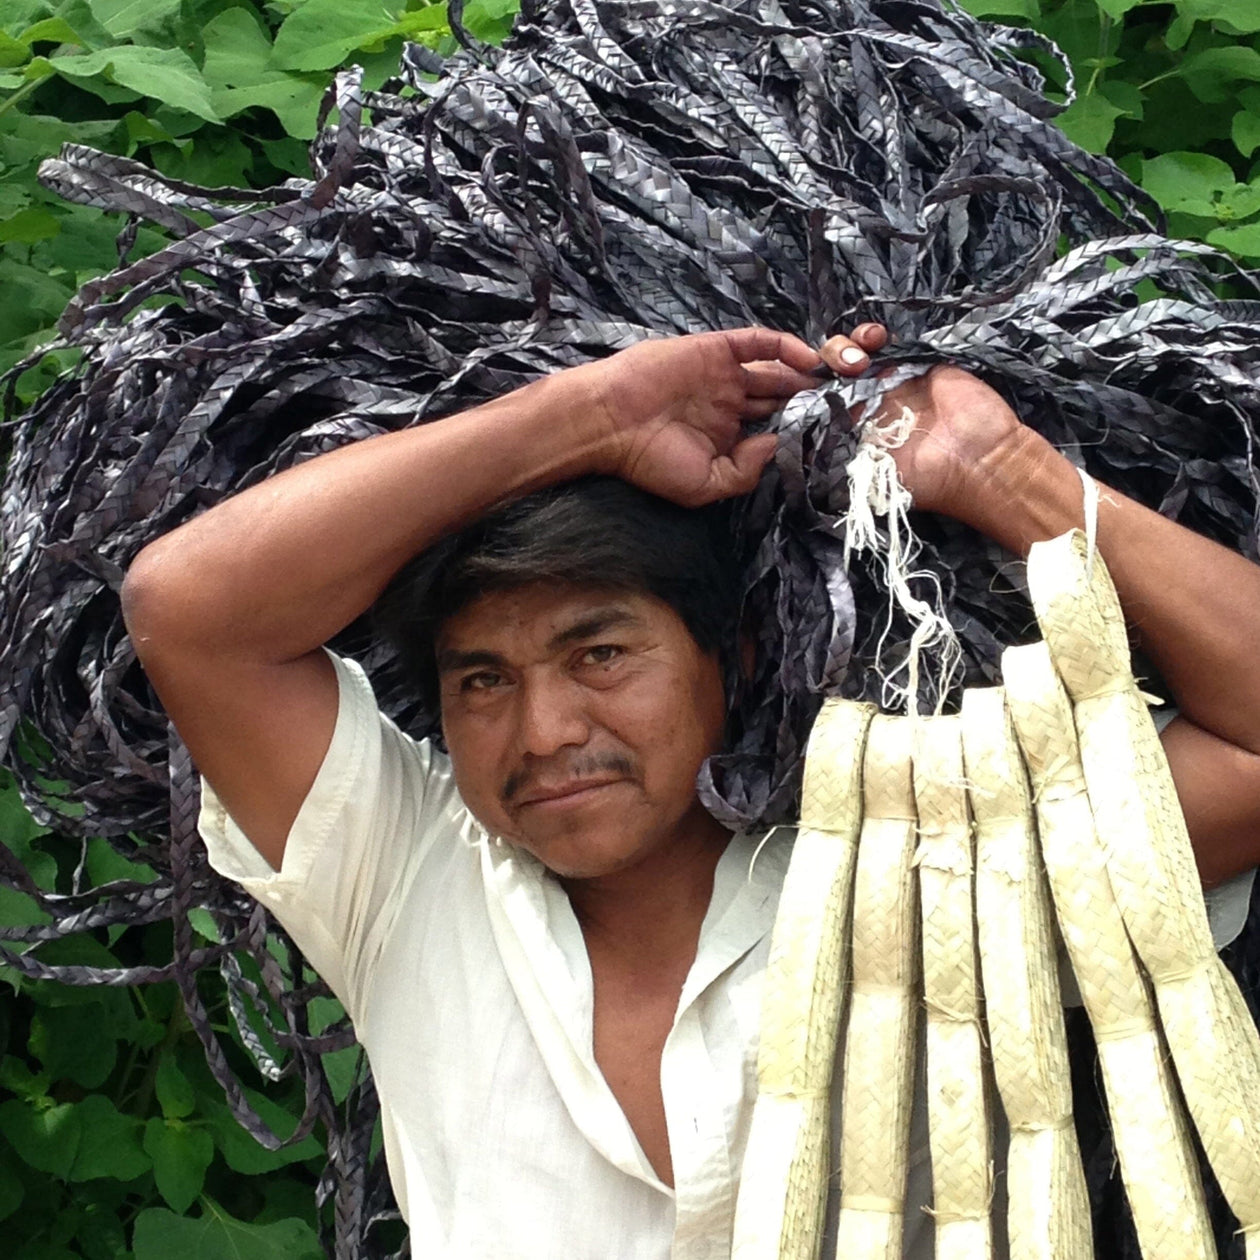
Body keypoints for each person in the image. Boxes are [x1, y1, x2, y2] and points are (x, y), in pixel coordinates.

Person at [121, 322, 1260, 1257]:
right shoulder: (403, 875)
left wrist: (1001, 472)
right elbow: (191, 611)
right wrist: (590, 418)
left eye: (600, 655)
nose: (546, 730)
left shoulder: (934, 875)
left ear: (737, 664)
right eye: (483, 681)